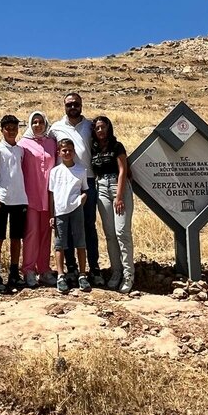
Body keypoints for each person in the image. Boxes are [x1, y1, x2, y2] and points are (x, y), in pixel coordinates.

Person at [50, 92, 103, 286]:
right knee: (67, 228)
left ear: (81, 105)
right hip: (64, 183)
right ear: (64, 106)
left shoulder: (90, 126)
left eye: (76, 104)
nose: (73, 107)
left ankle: (93, 268)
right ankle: (71, 268)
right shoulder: (55, 128)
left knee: (88, 226)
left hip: (86, 181)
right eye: (69, 104)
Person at [92, 116, 135, 293]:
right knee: (109, 234)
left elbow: (123, 170)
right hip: (101, 187)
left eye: (103, 127)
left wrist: (119, 197)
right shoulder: (94, 148)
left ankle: (128, 274)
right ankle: (115, 271)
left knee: (122, 232)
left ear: (109, 128)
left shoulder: (117, 146)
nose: (100, 131)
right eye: (97, 128)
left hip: (119, 188)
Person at [19, 111, 58, 287]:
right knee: (31, 233)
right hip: (30, 195)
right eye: (34, 122)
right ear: (30, 124)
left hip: (48, 196)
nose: (37, 125)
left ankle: (44, 269)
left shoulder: (52, 143)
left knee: (45, 233)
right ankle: (28, 270)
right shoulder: (23, 144)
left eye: (40, 122)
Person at [0, 114, 28, 292]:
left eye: (14, 128)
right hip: (3, 198)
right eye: (8, 128)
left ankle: (14, 272)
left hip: (19, 198)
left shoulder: (20, 150)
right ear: (2, 130)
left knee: (16, 237)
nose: (11, 131)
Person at [48, 138, 91, 294]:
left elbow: (85, 189)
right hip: (60, 211)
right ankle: (60, 275)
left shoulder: (81, 170)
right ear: (59, 152)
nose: (67, 153)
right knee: (60, 244)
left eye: (70, 150)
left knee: (80, 241)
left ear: (74, 152)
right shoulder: (54, 172)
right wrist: (51, 214)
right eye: (64, 150)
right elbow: (51, 194)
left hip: (76, 209)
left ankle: (82, 274)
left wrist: (83, 198)